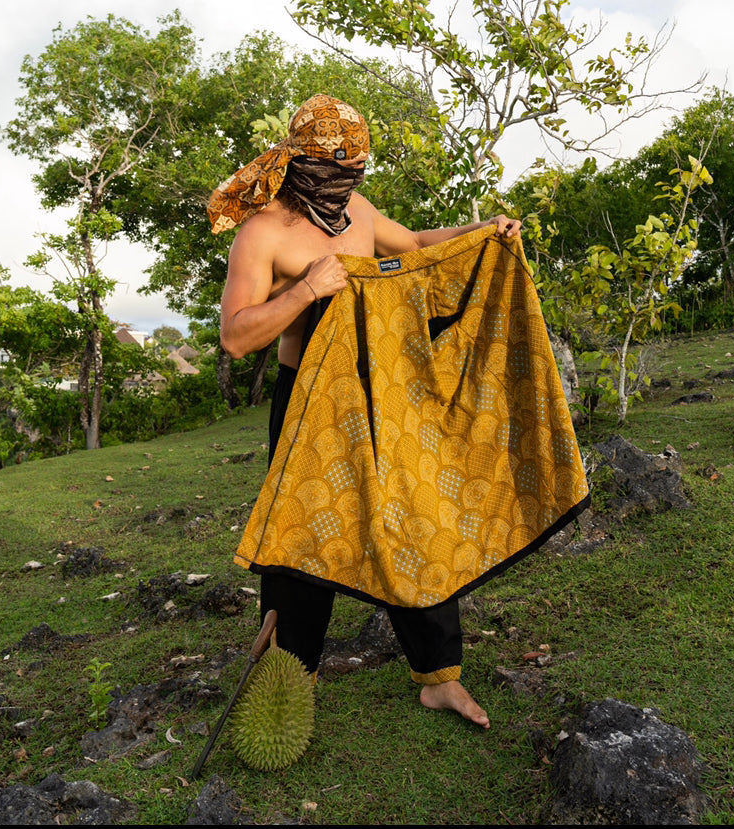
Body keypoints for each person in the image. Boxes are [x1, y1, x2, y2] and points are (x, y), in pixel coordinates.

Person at [209, 94, 526, 729]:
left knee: (413, 517)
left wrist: (482, 231)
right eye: (336, 168)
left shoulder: (356, 209)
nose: (347, 180)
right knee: (304, 540)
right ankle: (286, 684)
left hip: (385, 393)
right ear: (299, 164)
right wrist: (305, 289)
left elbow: (413, 246)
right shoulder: (263, 233)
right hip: (308, 402)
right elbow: (237, 336)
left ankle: (440, 677)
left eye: (357, 167)